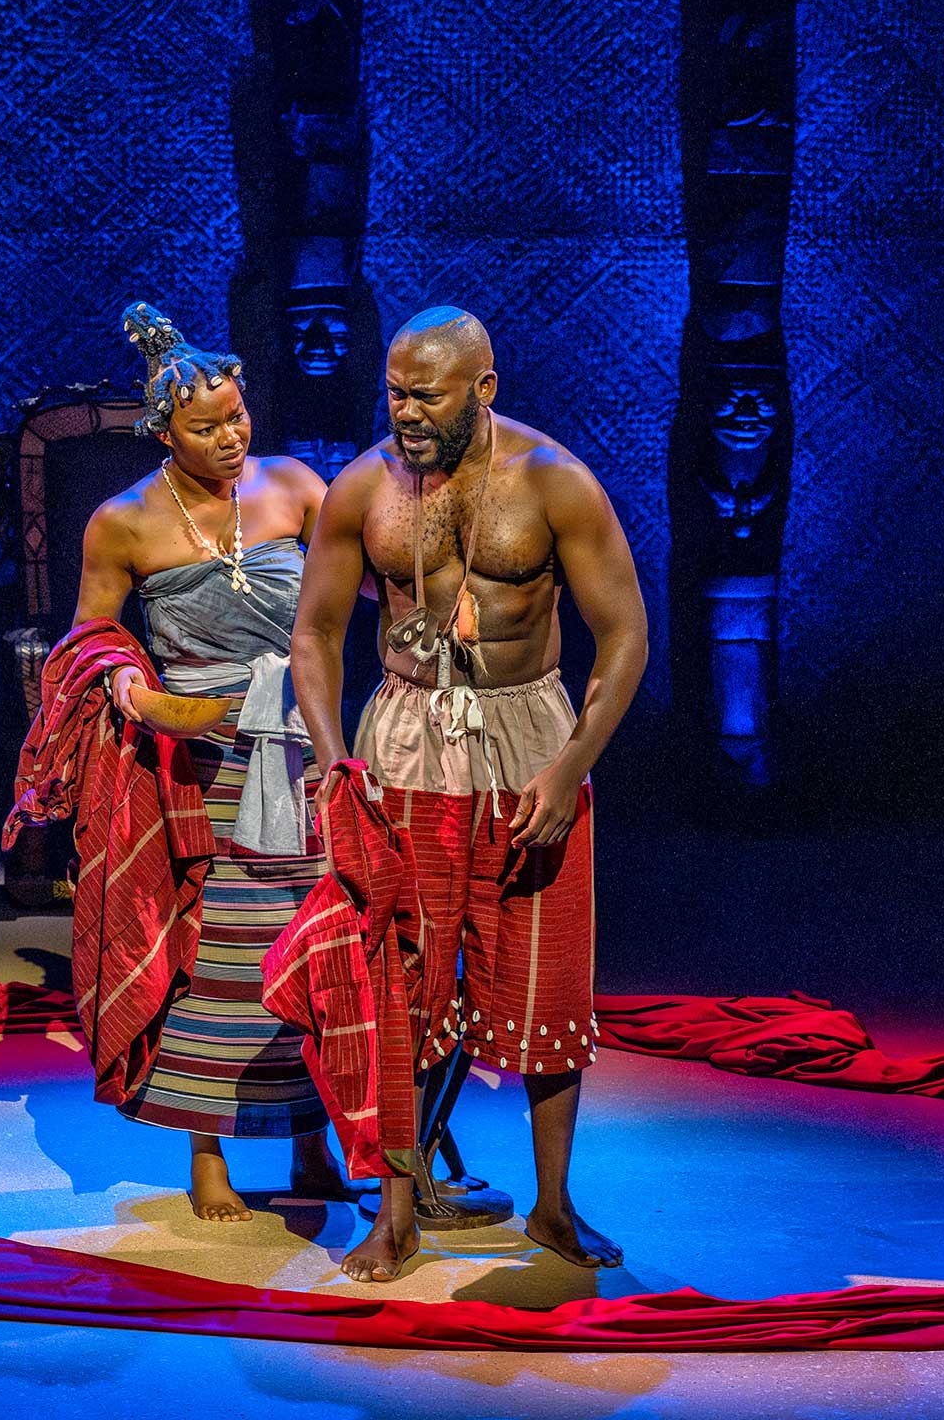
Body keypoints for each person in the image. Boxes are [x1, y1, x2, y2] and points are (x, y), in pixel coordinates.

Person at [289, 306, 649, 1280]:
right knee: (399, 983)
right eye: (394, 393)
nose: (405, 412)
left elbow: (624, 633)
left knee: (548, 979)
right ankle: (397, 1214)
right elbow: (315, 634)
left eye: (427, 395)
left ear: (484, 389)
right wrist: (334, 760)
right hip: (404, 745)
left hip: (529, 745)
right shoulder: (363, 487)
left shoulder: (554, 482)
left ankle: (554, 1206)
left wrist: (571, 767)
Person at [67, 302, 346, 1220]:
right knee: (218, 952)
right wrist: (135, 692)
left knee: (315, 942)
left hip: (302, 746)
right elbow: (89, 642)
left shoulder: (295, 486)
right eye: (206, 427)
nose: (232, 438)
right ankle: (208, 1153)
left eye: (237, 416)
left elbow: (369, 583)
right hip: (201, 760)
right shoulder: (122, 522)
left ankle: (314, 1138)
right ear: (163, 433)